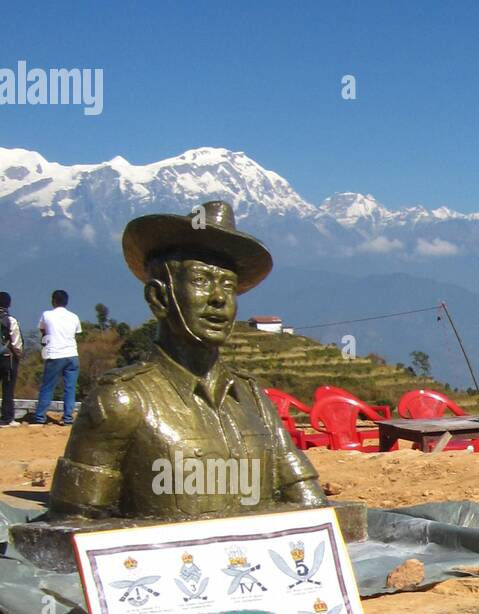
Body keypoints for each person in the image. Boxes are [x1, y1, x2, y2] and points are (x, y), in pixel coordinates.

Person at [48, 200, 325, 520]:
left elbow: (312, 508)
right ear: (159, 297)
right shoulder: (121, 401)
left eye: (228, 285)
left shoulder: (253, 400)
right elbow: (71, 526)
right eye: (200, 281)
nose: (219, 298)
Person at [27, 290, 80, 425]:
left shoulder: (47, 315)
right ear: (66, 302)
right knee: (70, 388)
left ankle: (40, 417)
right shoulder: (74, 317)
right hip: (72, 355)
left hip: (55, 354)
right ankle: (68, 417)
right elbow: (76, 333)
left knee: (48, 387)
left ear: (53, 301)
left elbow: (43, 330)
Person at [0, 292, 22, 426]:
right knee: (8, 388)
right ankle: (7, 418)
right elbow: (16, 342)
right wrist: (18, 356)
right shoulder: (10, 320)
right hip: (7, 358)